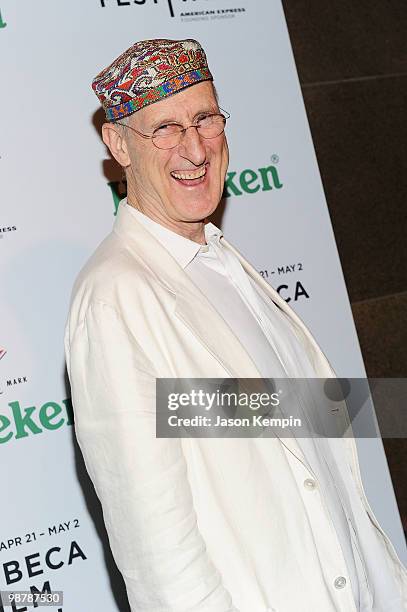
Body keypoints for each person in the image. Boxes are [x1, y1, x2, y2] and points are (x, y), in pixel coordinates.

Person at [64, 38, 407, 611]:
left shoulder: (222, 263)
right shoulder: (114, 299)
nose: (195, 149)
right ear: (119, 144)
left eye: (205, 119)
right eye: (165, 128)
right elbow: (157, 552)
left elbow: (281, 421)